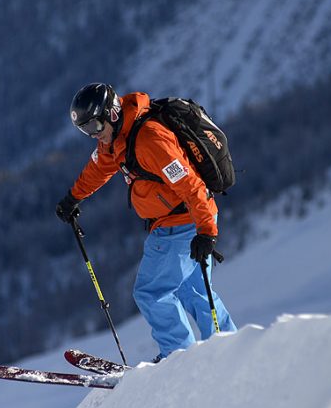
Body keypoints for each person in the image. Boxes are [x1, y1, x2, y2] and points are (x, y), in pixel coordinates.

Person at [56, 83, 236, 362]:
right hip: (182, 222)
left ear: (112, 113)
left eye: (94, 126)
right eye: (85, 130)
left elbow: (190, 185)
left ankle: (178, 360)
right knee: (195, 291)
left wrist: (206, 232)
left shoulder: (149, 139)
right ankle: (229, 350)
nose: (93, 135)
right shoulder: (116, 139)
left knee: (151, 293)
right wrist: (73, 198)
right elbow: (99, 168)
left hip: (181, 224)